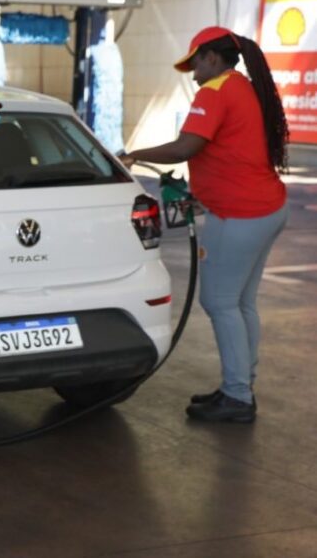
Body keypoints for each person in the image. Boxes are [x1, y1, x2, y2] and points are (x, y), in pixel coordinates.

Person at [121, 26, 289, 424]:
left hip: (241, 214)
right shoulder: (244, 87)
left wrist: (132, 155)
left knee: (219, 302)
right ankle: (240, 385)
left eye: (196, 63)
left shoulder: (215, 91)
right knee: (241, 302)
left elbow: (186, 147)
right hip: (267, 207)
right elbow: (233, 151)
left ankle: (237, 396)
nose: (194, 74)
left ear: (212, 58)